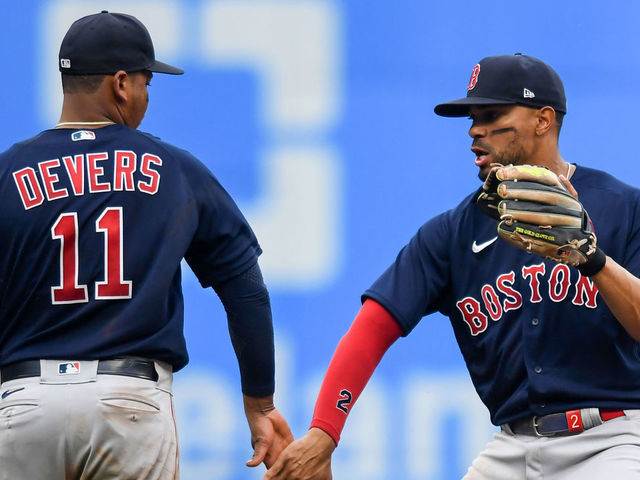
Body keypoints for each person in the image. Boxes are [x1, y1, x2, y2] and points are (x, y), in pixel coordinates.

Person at [263, 53, 640, 480]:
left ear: (543, 119)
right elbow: (371, 329)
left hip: (612, 440)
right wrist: (324, 433)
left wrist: (592, 261)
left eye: (492, 114)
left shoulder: (622, 208)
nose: (475, 131)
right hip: (513, 448)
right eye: (472, 118)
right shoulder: (451, 234)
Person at [0, 10, 292, 479]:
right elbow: (245, 287)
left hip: (25, 402)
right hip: (128, 403)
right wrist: (260, 402)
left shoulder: (7, 173)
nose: (144, 95)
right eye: (145, 83)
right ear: (120, 84)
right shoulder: (173, 169)